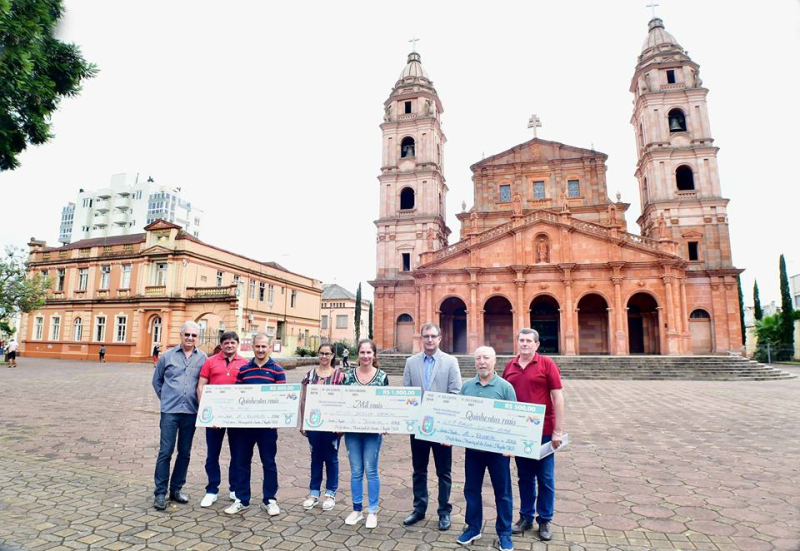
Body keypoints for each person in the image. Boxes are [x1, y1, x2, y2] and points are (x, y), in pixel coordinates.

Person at [502, 328, 565, 542]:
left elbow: (558, 398)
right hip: (520, 433)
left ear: (537, 344)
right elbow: (503, 401)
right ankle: (526, 517)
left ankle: (545, 520)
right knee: (525, 477)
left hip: (544, 432)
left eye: (529, 341)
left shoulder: (547, 364)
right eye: (521, 340)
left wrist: (557, 430)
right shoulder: (510, 366)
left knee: (545, 478)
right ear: (517, 343)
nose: (525, 344)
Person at [402, 322, 462, 531]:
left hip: (442, 428)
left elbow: (455, 393)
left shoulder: (450, 362)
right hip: (418, 426)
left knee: (443, 472)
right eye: (426, 336)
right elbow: (407, 393)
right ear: (422, 338)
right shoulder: (411, 362)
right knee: (419, 470)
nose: (429, 339)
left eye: (433, 336)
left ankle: (444, 512)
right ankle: (419, 509)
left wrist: (442, 418)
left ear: (439, 338)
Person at [457, 346, 516, 551]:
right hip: (473, 450)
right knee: (471, 490)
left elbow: (514, 421)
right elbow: (459, 417)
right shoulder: (466, 387)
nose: (482, 362)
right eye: (478, 358)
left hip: (498, 452)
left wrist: (511, 445)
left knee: (503, 492)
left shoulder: (505, 387)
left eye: (486, 358)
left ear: (494, 361)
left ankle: (505, 533)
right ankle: (473, 528)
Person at [225, 333, 286, 516]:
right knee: (242, 462)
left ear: (270, 347)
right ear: (252, 347)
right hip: (244, 427)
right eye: (257, 346)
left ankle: (270, 500)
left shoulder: (277, 370)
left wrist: (279, 418)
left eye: (264, 346)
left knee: (269, 463)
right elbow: (237, 396)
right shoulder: (243, 370)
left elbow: (282, 399)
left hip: (267, 428)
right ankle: (242, 499)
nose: (260, 350)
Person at [151, 321, 207, 510]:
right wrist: (165, 397)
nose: (190, 338)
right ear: (181, 335)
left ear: (198, 337)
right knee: (165, 452)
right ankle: (160, 493)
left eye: (194, 335)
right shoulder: (167, 357)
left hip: (190, 412)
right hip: (170, 412)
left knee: (184, 453)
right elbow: (157, 380)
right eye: (187, 334)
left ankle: (176, 489)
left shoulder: (203, 358)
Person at [197, 331, 249, 507]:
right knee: (213, 454)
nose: (229, 345)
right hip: (214, 417)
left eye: (233, 342)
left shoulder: (245, 363)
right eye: (226, 342)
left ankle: (234, 488)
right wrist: (205, 412)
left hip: (235, 417)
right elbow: (201, 386)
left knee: (237, 454)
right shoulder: (210, 362)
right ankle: (212, 489)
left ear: (238, 344)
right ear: (221, 344)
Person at [342, 339, 389, 529]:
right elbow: (341, 402)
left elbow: (386, 403)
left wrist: (386, 422)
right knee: (355, 471)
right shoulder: (347, 376)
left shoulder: (382, 376)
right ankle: (356, 509)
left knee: (370, 470)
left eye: (369, 353)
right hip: (352, 431)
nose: (365, 356)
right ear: (357, 354)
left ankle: (372, 511)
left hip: (372, 432)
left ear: (374, 355)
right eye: (362, 352)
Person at [299, 343, 345, 511]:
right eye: (322, 353)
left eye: (328, 354)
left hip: (332, 426)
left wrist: (341, 424)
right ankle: (313, 493)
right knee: (315, 458)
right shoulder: (310, 375)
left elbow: (343, 402)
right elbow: (303, 399)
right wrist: (303, 421)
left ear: (333, 356)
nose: (324, 357)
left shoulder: (340, 377)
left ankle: (330, 493)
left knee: (331, 458)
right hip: (313, 423)